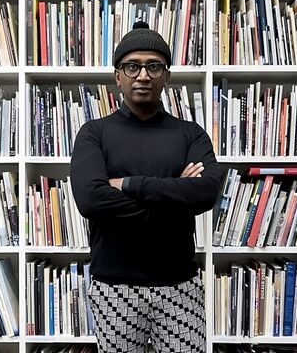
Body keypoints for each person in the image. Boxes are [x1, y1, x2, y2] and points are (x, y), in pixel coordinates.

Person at [70, 21, 222, 353]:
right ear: (118, 76)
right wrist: (173, 197)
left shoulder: (190, 133)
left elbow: (207, 191)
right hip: (114, 287)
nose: (143, 75)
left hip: (179, 284)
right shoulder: (93, 133)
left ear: (166, 75)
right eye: (133, 66)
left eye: (154, 66)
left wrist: (126, 184)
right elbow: (90, 198)